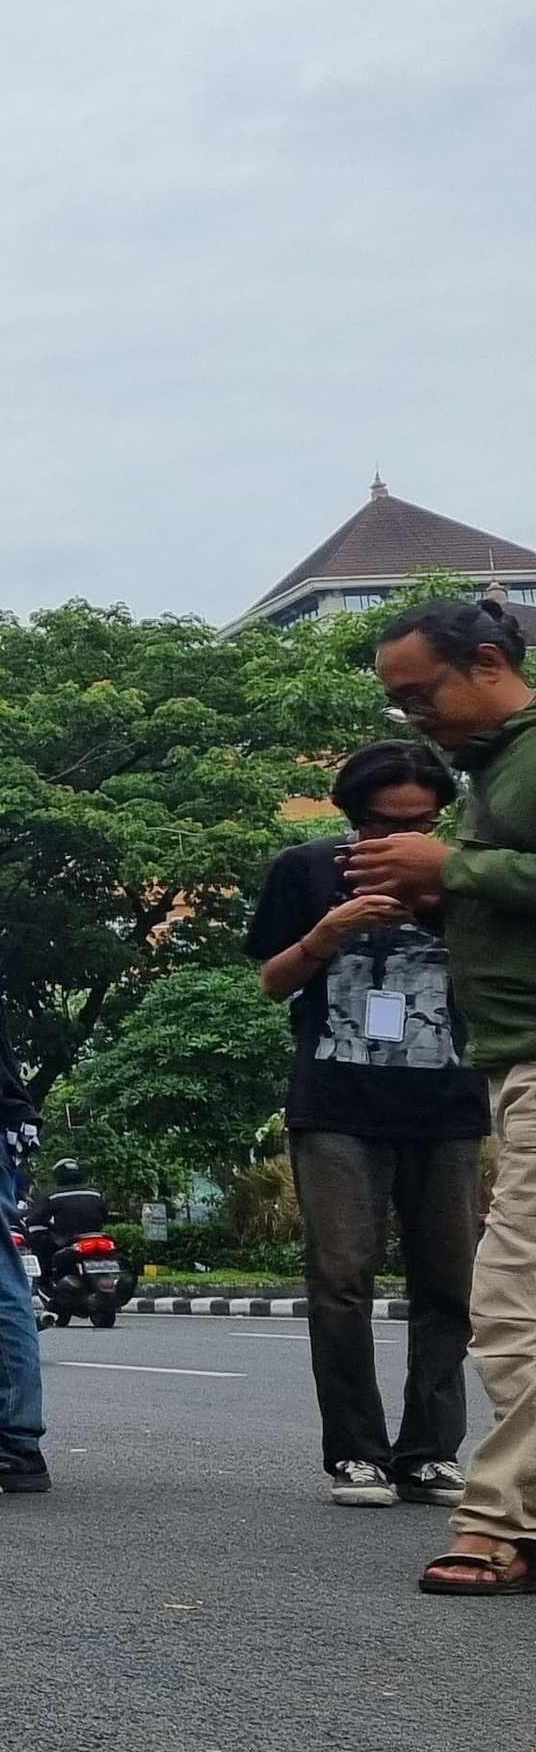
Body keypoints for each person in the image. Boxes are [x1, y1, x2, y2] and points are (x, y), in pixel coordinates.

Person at [345, 599, 536, 1592]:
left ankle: (502, 1524)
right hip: (510, 1065)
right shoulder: (494, 771)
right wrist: (448, 886)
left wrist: (451, 866)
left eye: (420, 694)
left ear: (489, 661)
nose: (413, 716)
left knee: (510, 1305)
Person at [249, 740, 484, 1506]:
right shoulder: (306, 868)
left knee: (450, 1282)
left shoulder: (464, 872)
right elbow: (271, 984)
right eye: (386, 824)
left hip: (447, 1103)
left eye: (422, 822)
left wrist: (443, 903)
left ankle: (430, 1452)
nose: (404, 836)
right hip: (336, 1104)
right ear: (355, 816)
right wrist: (330, 932)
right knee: (342, 1278)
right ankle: (357, 1451)